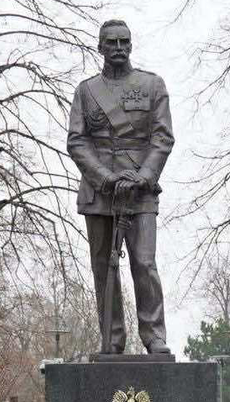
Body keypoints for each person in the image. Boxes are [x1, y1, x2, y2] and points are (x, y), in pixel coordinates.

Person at [67, 19, 175, 355]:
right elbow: (77, 140)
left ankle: (154, 336)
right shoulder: (86, 91)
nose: (118, 48)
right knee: (103, 267)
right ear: (99, 47)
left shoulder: (152, 85)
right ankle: (112, 340)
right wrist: (105, 177)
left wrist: (143, 177)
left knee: (144, 263)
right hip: (100, 195)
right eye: (111, 42)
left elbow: (162, 137)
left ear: (131, 45)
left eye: (123, 42)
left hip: (141, 193)